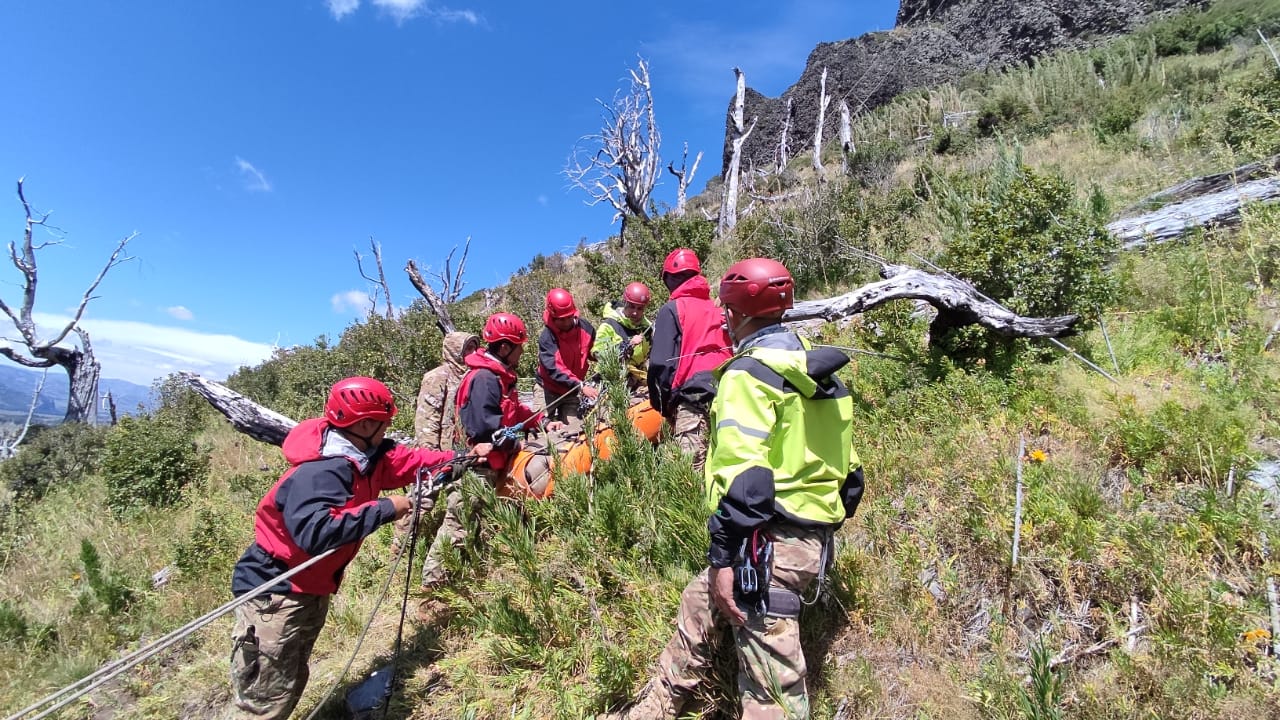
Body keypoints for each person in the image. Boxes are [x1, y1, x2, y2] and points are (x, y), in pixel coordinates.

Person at [607, 258, 865, 720]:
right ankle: (655, 708)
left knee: (772, 696)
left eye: (728, 309)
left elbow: (745, 480)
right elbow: (853, 480)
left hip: (767, 546)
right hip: (816, 539)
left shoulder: (747, 375)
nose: (724, 317)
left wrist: (726, 556)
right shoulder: (820, 372)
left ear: (738, 313)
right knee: (699, 598)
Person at [226, 376, 491, 720]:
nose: (387, 428)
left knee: (289, 681)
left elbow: (412, 463)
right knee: (263, 700)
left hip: (308, 588)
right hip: (274, 593)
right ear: (364, 423)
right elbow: (316, 532)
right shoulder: (321, 471)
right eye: (383, 423)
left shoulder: (366, 455)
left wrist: (465, 457)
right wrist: (389, 507)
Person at [417, 312, 561, 603]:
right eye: (519, 346)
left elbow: (512, 411)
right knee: (457, 525)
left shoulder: (498, 376)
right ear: (505, 347)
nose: (523, 351)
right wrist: (514, 443)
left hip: (491, 464)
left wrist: (541, 421)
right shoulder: (484, 378)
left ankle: (472, 574)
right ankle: (431, 594)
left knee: (476, 523)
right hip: (477, 467)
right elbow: (483, 426)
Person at [391, 331, 482, 560]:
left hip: (460, 449)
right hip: (436, 451)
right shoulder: (437, 376)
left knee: (460, 499)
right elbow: (426, 416)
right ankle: (400, 550)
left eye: (474, 347)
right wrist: (429, 453)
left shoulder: (472, 375)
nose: (471, 353)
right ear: (454, 351)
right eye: (466, 349)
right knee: (421, 501)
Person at [647, 248, 732, 472]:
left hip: (692, 399)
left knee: (690, 479)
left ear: (669, 278)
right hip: (729, 394)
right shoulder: (719, 309)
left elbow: (661, 364)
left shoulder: (672, 309)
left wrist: (663, 405)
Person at [537, 288, 598, 431]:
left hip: (572, 391)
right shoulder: (547, 337)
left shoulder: (586, 329)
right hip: (547, 389)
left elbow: (594, 350)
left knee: (576, 430)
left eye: (569, 317)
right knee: (541, 429)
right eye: (561, 319)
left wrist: (603, 357)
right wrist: (581, 386)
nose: (566, 322)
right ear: (552, 317)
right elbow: (555, 369)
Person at [592, 281, 653, 398]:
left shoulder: (647, 330)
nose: (635, 312)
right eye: (631, 306)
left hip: (636, 381)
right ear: (625, 302)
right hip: (610, 380)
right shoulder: (609, 325)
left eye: (640, 308)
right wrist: (627, 345)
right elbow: (598, 353)